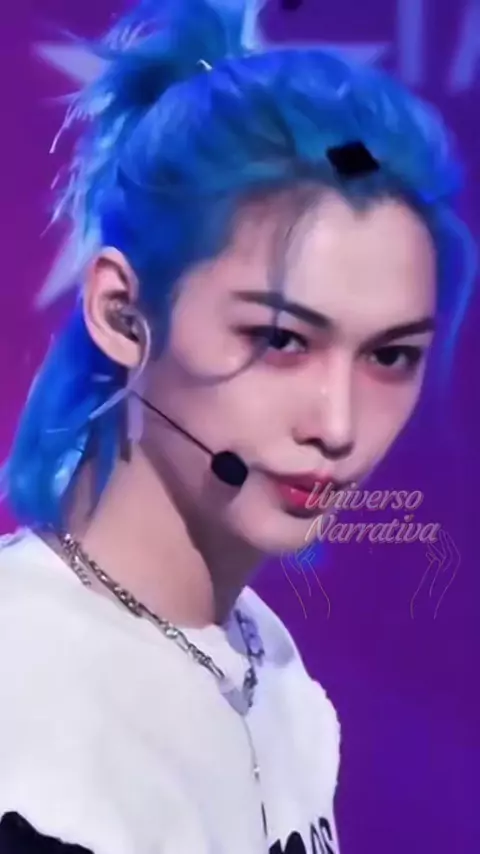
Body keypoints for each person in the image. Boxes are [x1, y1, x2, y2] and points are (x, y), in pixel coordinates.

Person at [0, 0, 474, 851]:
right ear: (123, 313)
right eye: (282, 339)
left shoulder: (269, 664)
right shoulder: (24, 688)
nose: (339, 425)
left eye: (390, 355)